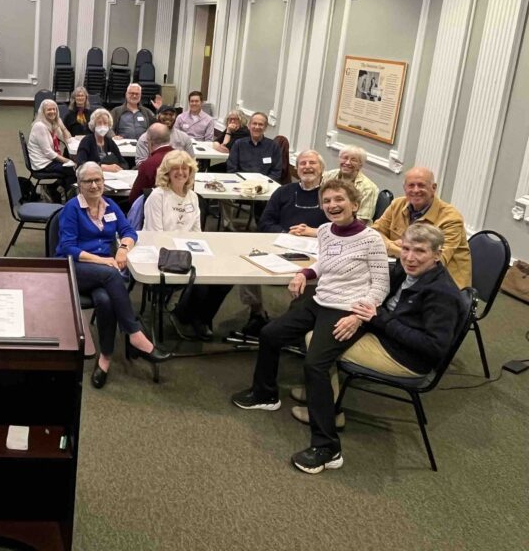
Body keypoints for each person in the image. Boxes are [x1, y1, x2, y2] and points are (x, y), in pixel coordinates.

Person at [231, 179, 389, 475]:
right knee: (270, 333)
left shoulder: (372, 239)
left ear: (355, 205)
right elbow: (323, 263)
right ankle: (266, 394)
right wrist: (305, 272)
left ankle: (329, 447)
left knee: (315, 366)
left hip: (348, 309)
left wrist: (358, 316)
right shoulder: (327, 231)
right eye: (327, 201)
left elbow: (381, 285)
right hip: (320, 301)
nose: (332, 205)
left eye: (339, 199)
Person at [289, 224, 464, 430]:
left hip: (405, 357)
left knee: (317, 339)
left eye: (420, 251)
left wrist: (379, 319)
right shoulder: (407, 270)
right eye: (406, 249)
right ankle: (317, 389)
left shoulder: (441, 294)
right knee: (327, 326)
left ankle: (329, 412)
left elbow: (434, 347)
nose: (409, 257)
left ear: (437, 255)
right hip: (385, 331)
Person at [56, 161, 171, 389]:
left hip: (101, 274)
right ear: (79, 184)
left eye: (98, 179)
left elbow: (128, 231)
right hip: (72, 268)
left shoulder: (109, 206)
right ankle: (134, 333)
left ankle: (105, 359)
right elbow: (68, 247)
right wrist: (104, 260)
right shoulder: (71, 209)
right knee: (111, 275)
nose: (94, 185)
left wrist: (122, 249)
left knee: (105, 300)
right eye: (88, 181)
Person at [228, 150, 328, 344]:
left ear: (321, 168)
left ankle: (293, 323)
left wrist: (313, 231)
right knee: (247, 265)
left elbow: (338, 227)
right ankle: (256, 312)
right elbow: (265, 222)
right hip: (281, 244)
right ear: (296, 169)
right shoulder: (284, 191)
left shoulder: (329, 195)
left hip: (316, 251)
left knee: (311, 280)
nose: (307, 167)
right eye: (302, 163)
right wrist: (285, 233)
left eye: (312, 163)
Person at [143, 151, 227, 340]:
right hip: (165, 253)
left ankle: (201, 317)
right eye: (175, 168)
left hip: (190, 249)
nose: (181, 172)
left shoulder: (193, 197)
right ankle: (185, 316)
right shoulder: (158, 196)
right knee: (202, 282)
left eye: (185, 168)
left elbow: (197, 232)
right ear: (167, 172)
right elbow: (155, 234)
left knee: (224, 280)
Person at [371, 167, 471, 289]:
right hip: (404, 274)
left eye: (421, 185)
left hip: (441, 286)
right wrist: (396, 247)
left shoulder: (451, 219)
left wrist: (390, 247)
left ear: (433, 188)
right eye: (411, 185)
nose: (416, 190)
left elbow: (437, 262)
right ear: (405, 188)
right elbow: (373, 234)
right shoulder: (397, 204)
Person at [28, 98, 76, 199]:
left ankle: (52, 188)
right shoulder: (40, 126)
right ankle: (69, 198)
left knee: (72, 167)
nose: (52, 112)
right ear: (43, 112)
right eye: (49, 110)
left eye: (54, 109)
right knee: (73, 170)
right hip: (43, 163)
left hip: (48, 160)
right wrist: (68, 160)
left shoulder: (52, 124)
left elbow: (68, 140)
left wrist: (62, 127)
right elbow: (48, 153)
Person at [322, 146, 379, 224]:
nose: (348, 162)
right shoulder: (328, 176)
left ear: (360, 165)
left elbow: (361, 221)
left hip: (352, 230)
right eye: (345, 158)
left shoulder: (368, 188)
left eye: (353, 160)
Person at [227, 111, 282, 182]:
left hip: (265, 187)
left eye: (261, 124)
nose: (257, 127)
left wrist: (264, 184)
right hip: (242, 185)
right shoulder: (238, 144)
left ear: (265, 128)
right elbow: (231, 169)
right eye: (254, 123)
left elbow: (276, 172)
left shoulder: (273, 146)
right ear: (249, 126)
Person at [128, 124, 174, 204]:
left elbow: (134, 199)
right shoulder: (184, 159)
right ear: (169, 138)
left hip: (156, 210)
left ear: (149, 141)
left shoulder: (148, 165)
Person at [75, 108, 124, 173]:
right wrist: (102, 167)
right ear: (94, 124)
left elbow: (123, 163)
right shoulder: (86, 141)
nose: (102, 126)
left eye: (105, 123)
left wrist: (118, 167)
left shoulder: (110, 142)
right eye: (99, 123)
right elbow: (80, 164)